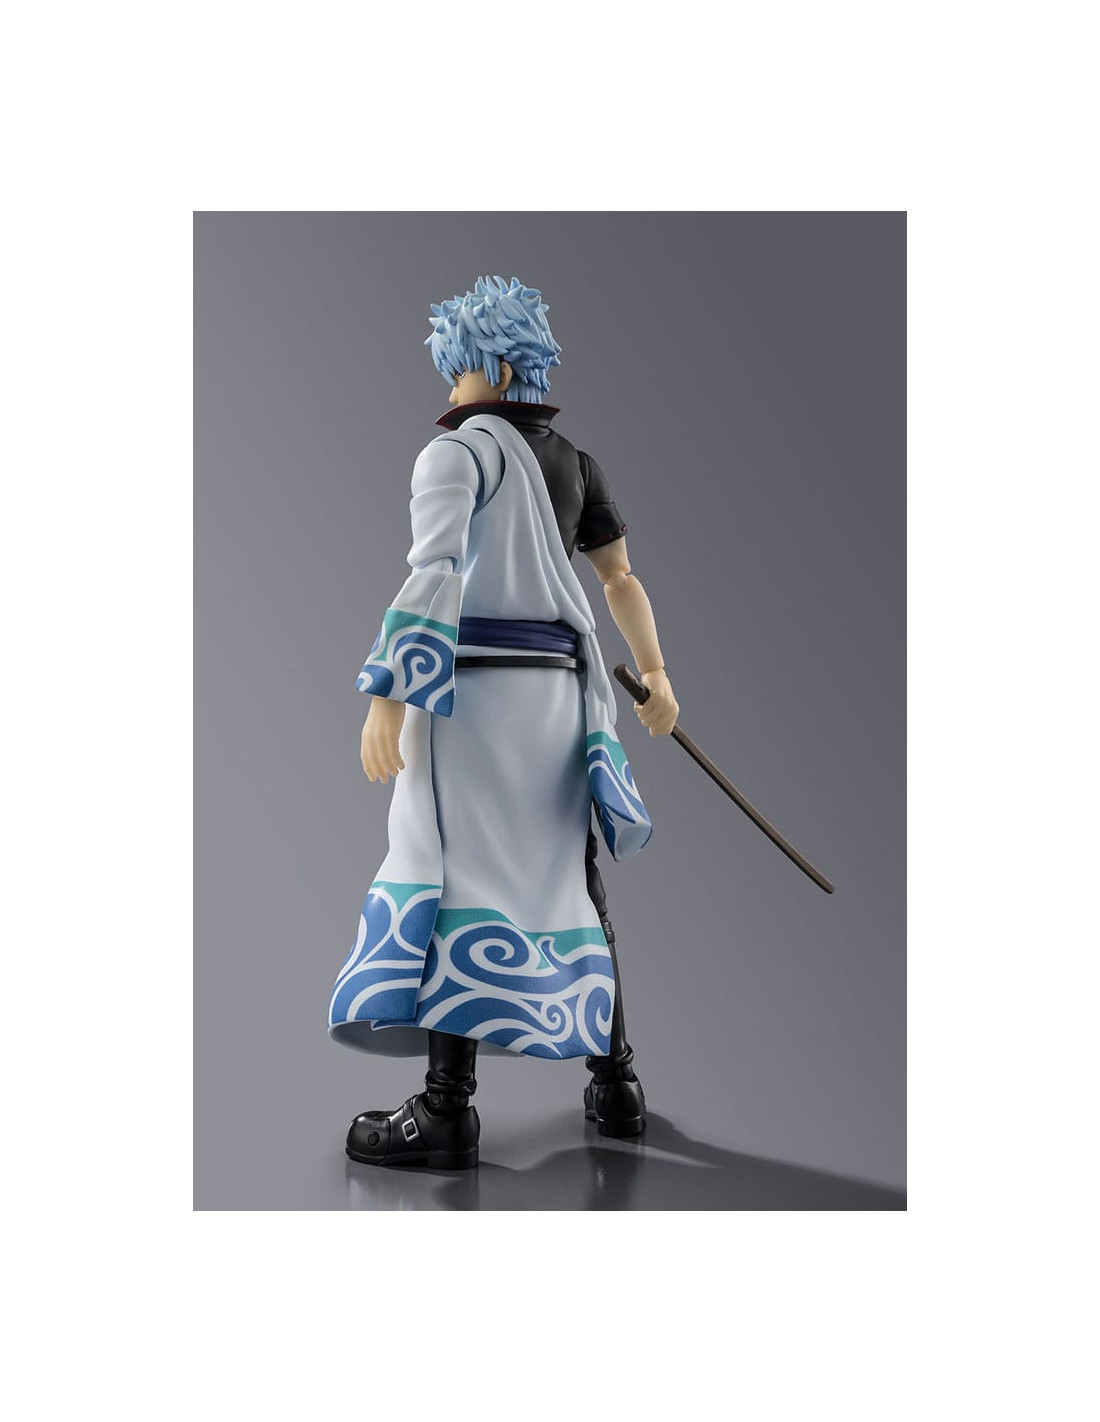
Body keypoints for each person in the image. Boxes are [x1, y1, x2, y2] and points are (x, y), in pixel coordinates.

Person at [328, 276, 678, 1169]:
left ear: (493, 368)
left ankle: (446, 1110)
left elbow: (434, 571)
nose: (449, 387)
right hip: (559, 705)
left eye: (457, 370)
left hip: (475, 702)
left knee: (457, 879)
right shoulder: (579, 464)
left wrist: (388, 690)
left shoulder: (454, 455)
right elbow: (618, 580)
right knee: (572, 879)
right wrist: (658, 673)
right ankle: (618, 1085)